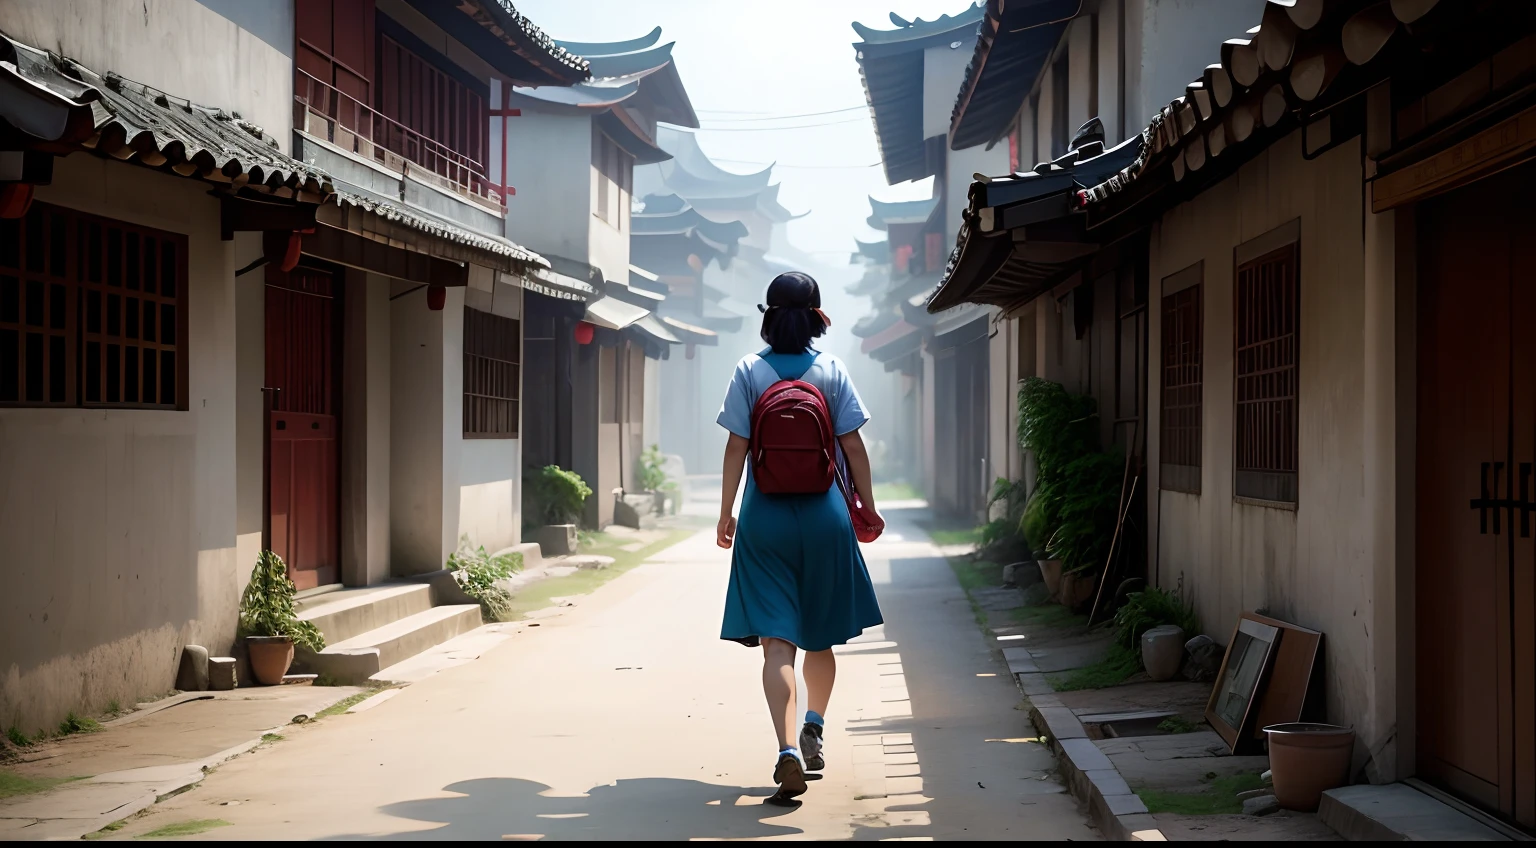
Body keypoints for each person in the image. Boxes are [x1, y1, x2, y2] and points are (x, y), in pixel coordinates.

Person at [715, 271, 884, 803]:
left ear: (768, 315)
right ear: (816, 316)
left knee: (777, 642)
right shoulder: (831, 369)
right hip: (825, 514)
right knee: (821, 635)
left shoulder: (748, 370)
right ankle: (814, 725)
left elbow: (735, 450)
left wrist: (726, 514)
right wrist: (866, 507)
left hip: (764, 515)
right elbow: (853, 446)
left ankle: (786, 749)